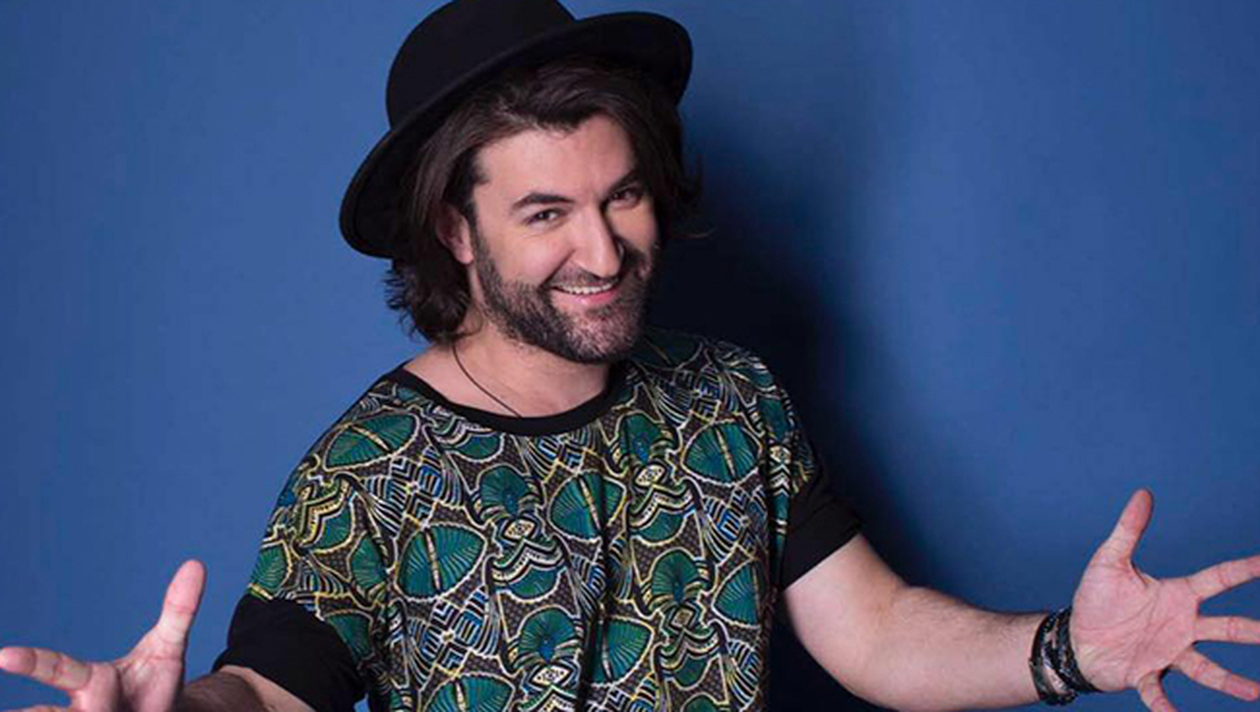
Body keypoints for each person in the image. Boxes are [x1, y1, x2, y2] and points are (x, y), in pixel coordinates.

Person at [2, 0, 1258, 711]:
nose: (603, 250)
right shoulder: (367, 472)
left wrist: (1070, 651)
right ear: (457, 232)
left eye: (624, 196)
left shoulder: (730, 398)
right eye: (546, 213)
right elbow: (271, 691)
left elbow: (873, 630)